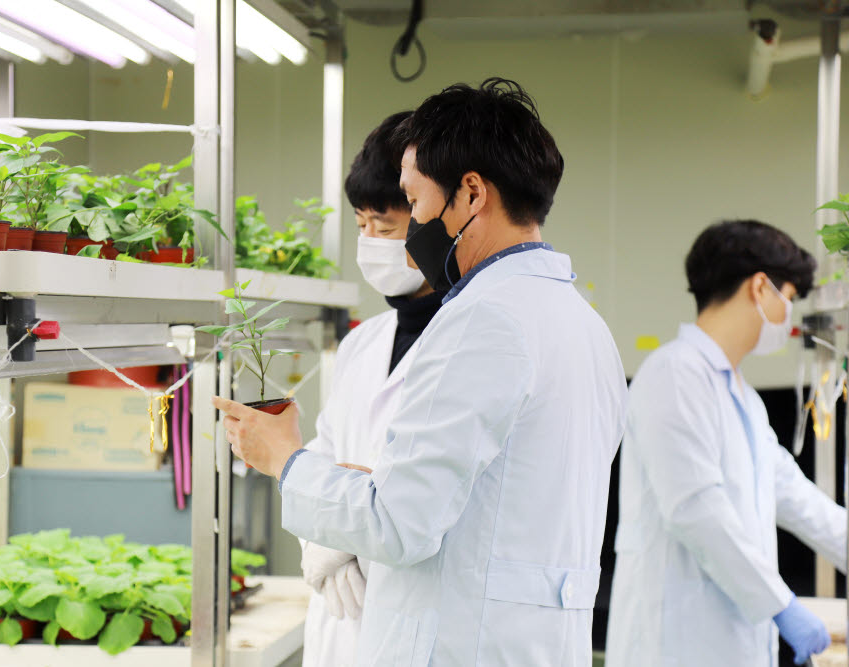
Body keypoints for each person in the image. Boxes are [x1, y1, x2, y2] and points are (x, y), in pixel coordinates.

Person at [214, 77, 627, 665]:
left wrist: (284, 459)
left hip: (459, 643)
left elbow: (399, 523)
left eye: (413, 201)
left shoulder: (482, 320)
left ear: (472, 194)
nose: (411, 227)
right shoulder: (581, 323)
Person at [606, 220, 847, 667]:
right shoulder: (673, 376)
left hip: (732, 644)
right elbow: (696, 510)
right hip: (672, 645)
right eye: (789, 299)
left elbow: (800, 501)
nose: (788, 315)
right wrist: (782, 604)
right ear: (760, 288)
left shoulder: (745, 401)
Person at [299, 110, 446, 667]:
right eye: (361, 225)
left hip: (416, 610)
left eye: (385, 227)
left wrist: (346, 526)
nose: (370, 242)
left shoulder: (466, 339)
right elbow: (327, 452)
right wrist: (320, 540)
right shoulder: (365, 342)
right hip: (343, 612)